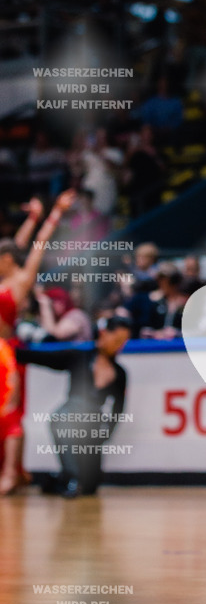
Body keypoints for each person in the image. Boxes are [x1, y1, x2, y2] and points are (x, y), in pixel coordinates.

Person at [0, 191, 76, 494]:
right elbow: (17, 245)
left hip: (7, 354)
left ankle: (11, 473)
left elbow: (35, 247)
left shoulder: (20, 280)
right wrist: (32, 218)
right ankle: (15, 471)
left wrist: (54, 213)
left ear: (7, 261)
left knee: (12, 412)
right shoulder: (5, 275)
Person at [16, 314, 131, 497]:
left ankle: (61, 479)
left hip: (93, 424)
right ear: (103, 333)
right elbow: (38, 357)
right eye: (117, 339)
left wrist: (103, 435)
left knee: (90, 486)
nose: (119, 345)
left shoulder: (120, 373)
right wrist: (7, 349)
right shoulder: (79, 357)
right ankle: (70, 477)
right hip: (71, 413)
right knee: (63, 419)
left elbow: (118, 410)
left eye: (123, 341)